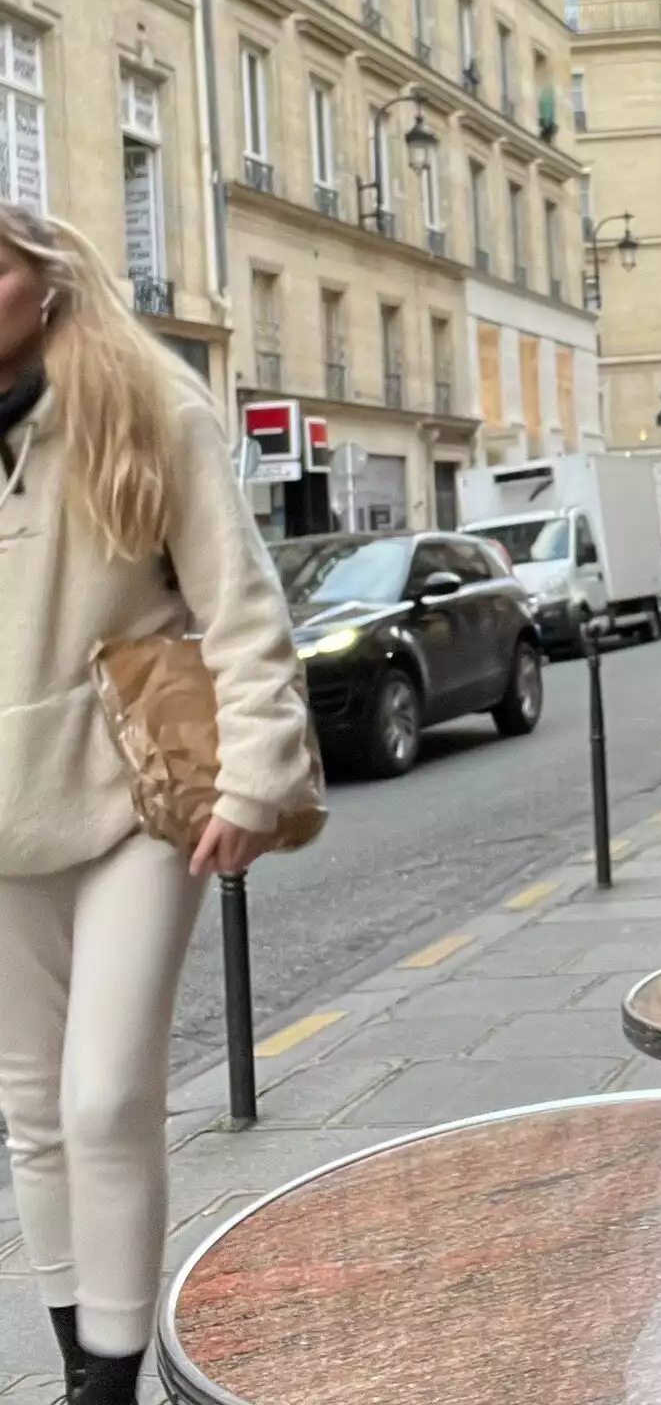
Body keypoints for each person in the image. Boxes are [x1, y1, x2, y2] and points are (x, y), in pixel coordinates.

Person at [0, 206, 319, 1405]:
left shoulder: (146, 405)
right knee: (33, 1112)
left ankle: (111, 1380)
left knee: (104, 1096)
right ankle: (79, 1356)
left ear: (47, 278)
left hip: (136, 794)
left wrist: (255, 778)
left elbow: (243, 609)